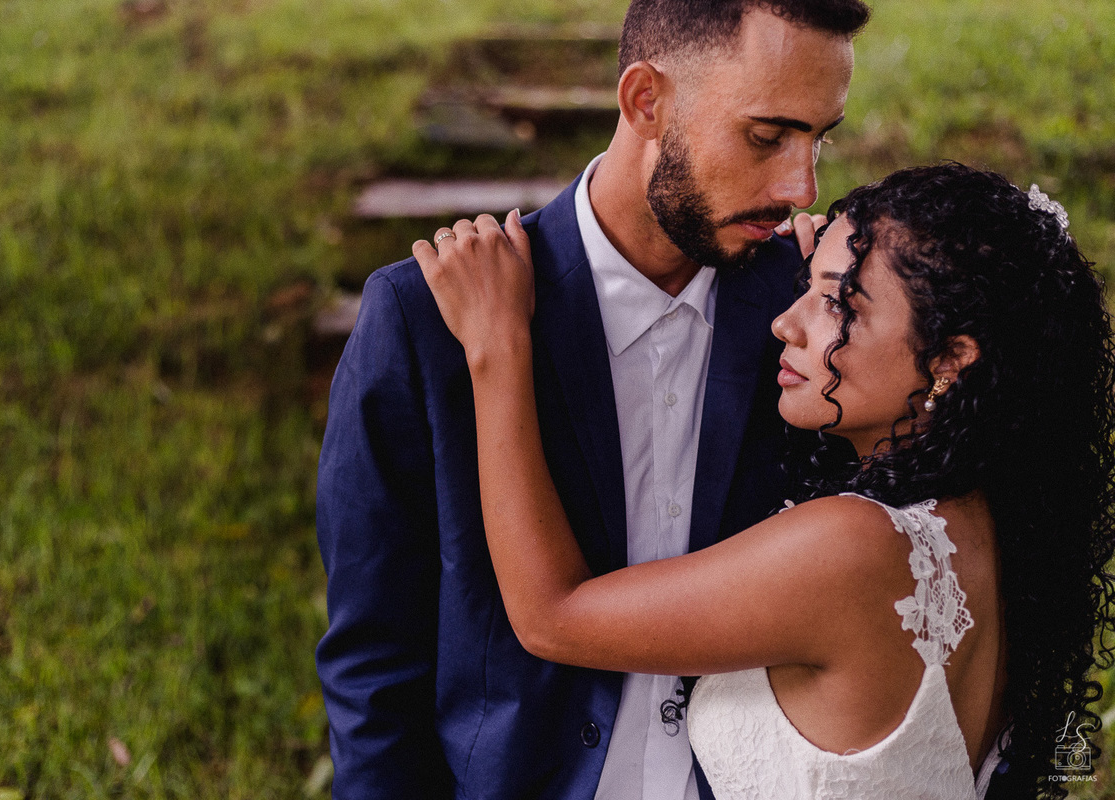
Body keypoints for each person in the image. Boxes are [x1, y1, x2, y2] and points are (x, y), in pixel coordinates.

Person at [412, 162, 1115, 799]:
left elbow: (551, 617)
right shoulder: (984, 526)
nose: (786, 322)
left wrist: (497, 348)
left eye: (841, 304)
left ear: (951, 359)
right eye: (807, 289)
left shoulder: (854, 549)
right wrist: (833, 289)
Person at [316, 0, 869, 796]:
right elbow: (373, 665)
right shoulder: (427, 321)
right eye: (766, 136)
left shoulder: (808, 322)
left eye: (820, 138)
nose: (800, 184)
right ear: (646, 101)